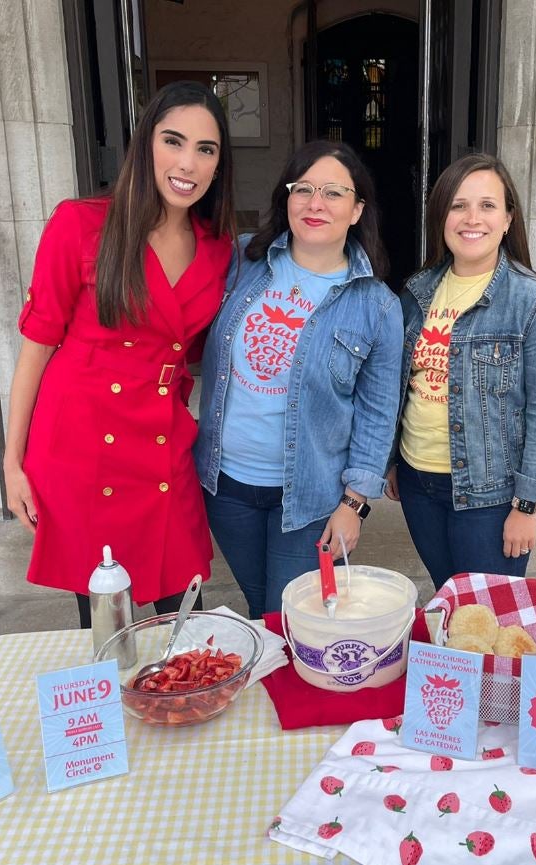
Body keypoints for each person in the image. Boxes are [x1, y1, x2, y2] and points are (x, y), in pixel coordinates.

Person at [3, 81, 235, 627]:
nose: (188, 163)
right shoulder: (80, 225)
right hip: (84, 442)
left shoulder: (218, 245)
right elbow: (36, 349)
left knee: (186, 613)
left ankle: (184, 706)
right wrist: (13, 462)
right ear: (145, 144)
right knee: (108, 621)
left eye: (206, 149)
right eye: (173, 141)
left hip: (162, 438)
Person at [195, 141, 402, 619]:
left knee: (290, 618)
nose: (315, 203)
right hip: (225, 485)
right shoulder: (242, 260)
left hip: (309, 497)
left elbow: (376, 415)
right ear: (285, 198)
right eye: (303, 188)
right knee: (259, 607)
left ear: (357, 210)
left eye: (333, 193)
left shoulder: (377, 306)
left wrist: (355, 504)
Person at [386, 153, 536, 589]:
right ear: (441, 217)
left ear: (508, 218)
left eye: (488, 205)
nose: (473, 218)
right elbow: (402, 388)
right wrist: (393, 459)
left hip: (490, 496)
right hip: (418, 483)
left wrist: (528, 505)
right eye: (458, 205)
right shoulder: (417, 292)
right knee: (449, 601)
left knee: (486, 622)